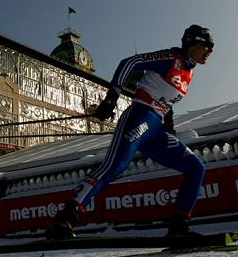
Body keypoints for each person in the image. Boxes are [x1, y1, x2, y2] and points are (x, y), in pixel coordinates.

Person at [46, 24, 214, 240]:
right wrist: (111, 98)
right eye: (207, 45)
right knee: (114, 166)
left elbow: (166, 97)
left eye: (212, 47)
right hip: (140, 117)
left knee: (196, 168)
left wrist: (168, 119)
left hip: (156, 129)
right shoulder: (172, 58)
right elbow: (130, 62)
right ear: (193, 42)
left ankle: (179, 227)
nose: (210, 50)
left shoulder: (189, 72)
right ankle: (65, 217)